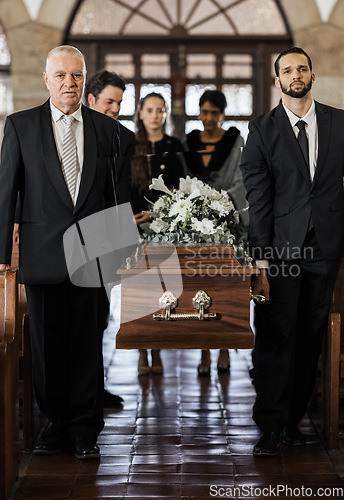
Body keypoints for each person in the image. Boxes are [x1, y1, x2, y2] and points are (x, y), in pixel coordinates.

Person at [0, 45, 130, 460]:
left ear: (84, 79)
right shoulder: (20, 126)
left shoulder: (107, 130)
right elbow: (7, 192)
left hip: (93, 258)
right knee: (46, 347)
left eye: (76, 76)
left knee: (89, 346)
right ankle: (53, 424)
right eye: (60, 76)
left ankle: (85, 430)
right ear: (46, 79)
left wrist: (120, 255)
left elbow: (115, 197)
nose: (69, 84)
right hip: (42, 256)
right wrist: (2, 253)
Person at [240, 47, 344, 457]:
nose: (295, 75)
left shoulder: (338, 122)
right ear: (277, 80)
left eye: (302, 68)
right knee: (274, 335)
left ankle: (293, 421)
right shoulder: (262, 129)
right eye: (287, 70)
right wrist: (260, 260)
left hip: (326, 248)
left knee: (309, 336)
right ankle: (269, 425)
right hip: (281, 252)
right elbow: (259, 199)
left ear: (312, 76)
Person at [184, 89, 248, 376]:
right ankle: (204, 350)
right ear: (198, 112)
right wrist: (197, 207)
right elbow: (183, 180)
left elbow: (242, 180)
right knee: (200, 288)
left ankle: (224, 347)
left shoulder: (236, 141)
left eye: (215, 113)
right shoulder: (190, 142)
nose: (209, 118)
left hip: (228, 224)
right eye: (204, 112)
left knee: (226, 289)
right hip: (197, 228)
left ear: (223, 114)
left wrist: (219, 204)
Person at [85, 69, 135, 408]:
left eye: (119, 102)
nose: (115, 108)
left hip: (104, 237)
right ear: (91, 100)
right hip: (70, 236)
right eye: (109, 101)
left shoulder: (124, 137)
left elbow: (121, 190)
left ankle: (93, 389)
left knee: (99, 318)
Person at [131, 92, 185, 375]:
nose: (155, 115)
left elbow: (179, 189)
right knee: (140, 292)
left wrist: (160, 214)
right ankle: (142, 351)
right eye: (150, 110)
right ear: (140, 113)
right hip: (135, 227)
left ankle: (158, 348)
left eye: (160, 110)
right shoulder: (130, 144)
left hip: (164, 228)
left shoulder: (174, 145)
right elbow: (126, 186)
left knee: (163, 291)